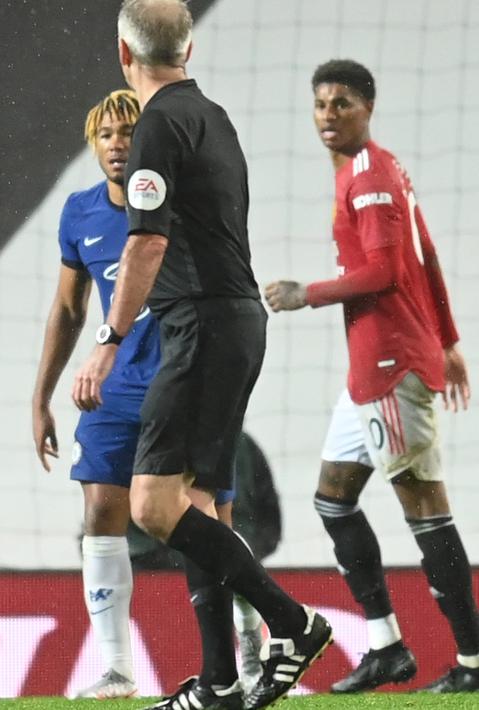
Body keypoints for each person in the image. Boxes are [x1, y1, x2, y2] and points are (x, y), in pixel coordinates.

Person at [70, 2, 332, 708]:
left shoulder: (157, 123)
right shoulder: (210, 115)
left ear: (123, 53)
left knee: (153, 508)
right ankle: (217, 684)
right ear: (187, 50)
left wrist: (106, 342)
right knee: (198, 507)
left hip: (201, 327)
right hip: (234, 320)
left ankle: (292, 622)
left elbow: (147, 240)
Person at [32, 88, 263, 699]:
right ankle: (116, 668)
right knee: (100, 513)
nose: (117, 144)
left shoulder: (179, 209)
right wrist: (41, 398)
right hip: (115, 388)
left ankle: (252, 645)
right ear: (92, 143)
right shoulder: (79, 213)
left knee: (210, 517)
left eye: (129, 132)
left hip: (187, 379)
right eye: (105, 133)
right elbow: (67, 308)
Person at [264, 58, 478, 694]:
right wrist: (451, 340)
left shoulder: (371, 179)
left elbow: (386, 272)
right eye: (322, 104)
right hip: (371, 364)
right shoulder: (374, 170)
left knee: (423, 506)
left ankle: (472, 660)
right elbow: (428, 255)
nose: (329, 115)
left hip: (389, 364)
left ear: (368, 108)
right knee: (332, 500)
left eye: (343, 104)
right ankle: (386, 647)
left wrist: (310, 293)